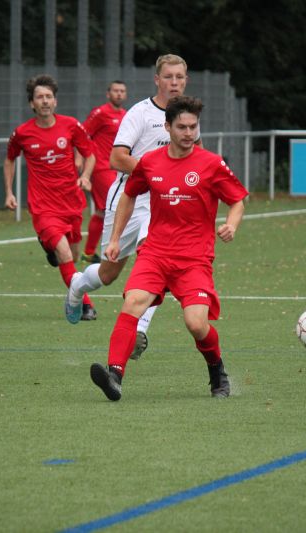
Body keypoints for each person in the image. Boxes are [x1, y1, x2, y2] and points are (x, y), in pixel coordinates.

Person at [88, 96, 247, 401]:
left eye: (193, 127)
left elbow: (237, 199)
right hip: (156, 252)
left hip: (194, 257)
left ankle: (217, 370)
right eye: (182, 127)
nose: (188, 133)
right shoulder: (150, 162)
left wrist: (232, 224)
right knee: (133, 302)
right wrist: (114, 239)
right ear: (168, 127)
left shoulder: (211, 163)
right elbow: (129, 195)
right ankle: (114, 376)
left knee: (196, 323)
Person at [66, 54, 191, 356]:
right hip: (129, 199)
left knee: (157, 260)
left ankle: (138, 331)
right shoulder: (140, 113)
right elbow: (116, 159)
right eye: (169, 77)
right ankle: (77, 286)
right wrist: (157, 172)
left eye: (180, 77)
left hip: (163, 203)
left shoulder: (187, 116)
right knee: (108, 275)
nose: (175, 82)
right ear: (157, 80)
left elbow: (191, 156)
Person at [4, 74, 98, 320]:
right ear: (31, 104)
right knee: (65, 255)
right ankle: (85, 305)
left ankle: (49, 247)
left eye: (48, 97)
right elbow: (9, 160)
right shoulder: (22, 133)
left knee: (73, 257)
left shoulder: (71, 126)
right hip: (43, 206)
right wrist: (9, 192)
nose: (44, 101)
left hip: (71, 201)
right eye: (39, 97)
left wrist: (86, 176)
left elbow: (90, 155)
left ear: (55, 101)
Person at [80, 80, 128, 263]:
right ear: (108, 94)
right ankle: (103, 248)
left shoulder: (125, 115)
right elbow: (83, 135)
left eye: (122, 91)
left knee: (105, 210)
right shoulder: (100, 113)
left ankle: (90, 252)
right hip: (101, 167)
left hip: (118, 168)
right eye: (115, 91)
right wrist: (80, 158)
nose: (119, 94)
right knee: (112, 208)